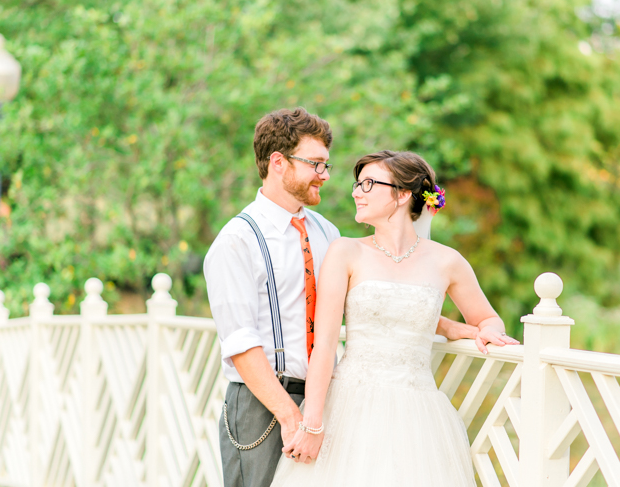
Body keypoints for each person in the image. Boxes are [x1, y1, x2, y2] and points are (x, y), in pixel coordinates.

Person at [204, 110, 480, 487]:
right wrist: (291, 417)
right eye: (316, 164)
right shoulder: (237, 241)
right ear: (279, 163)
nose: (327, 175)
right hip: (263, 403)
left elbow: (373, 305)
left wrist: (452, 327)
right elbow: (240, 343)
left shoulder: (326, 232)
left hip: (332, 399)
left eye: (326, 164)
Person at [270, 150, 520, 487]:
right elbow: (324, 344)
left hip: (418, 415)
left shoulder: (448, 262)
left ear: (402, 195)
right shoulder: (346, 252)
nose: (357, 192)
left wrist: (484, 332)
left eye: (369, 184)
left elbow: (489, 319)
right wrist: (312, 424)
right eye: (357, 184)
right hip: (350, 408)